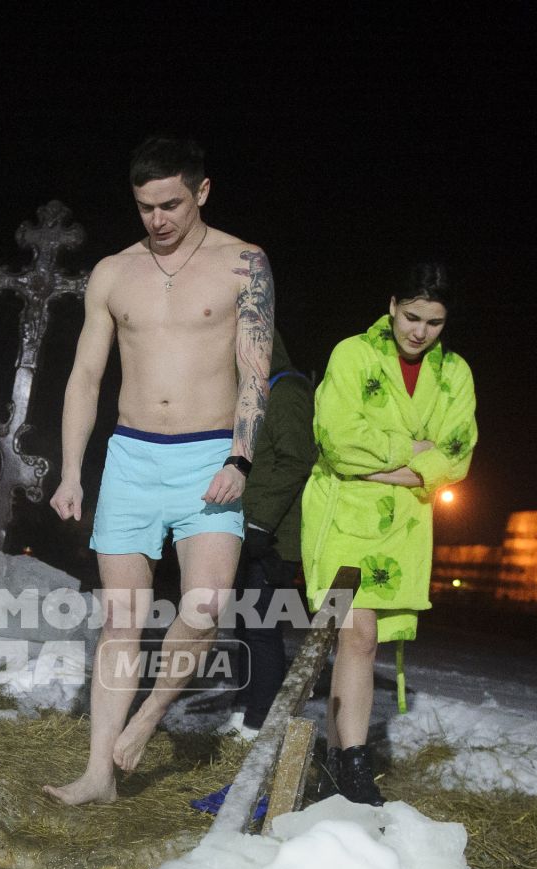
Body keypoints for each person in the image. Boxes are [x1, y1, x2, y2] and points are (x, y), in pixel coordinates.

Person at [44, 135, 274, 805]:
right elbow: (85, 376)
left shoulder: (245, 264)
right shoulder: (113, 273)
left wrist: (241, 455)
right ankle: (97, 775)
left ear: (202, 191)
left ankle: (147, 718)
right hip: (131, 455)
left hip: (209, 453)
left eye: (171, 204)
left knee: (204, 607)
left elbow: (256, 372)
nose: (158, 220)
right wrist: (70, 471)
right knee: (123, 621)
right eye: (145, 207)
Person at [300, 262, 477, 805]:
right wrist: (412, 452)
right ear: (393, 303)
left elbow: (458, 456)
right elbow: (337, 440)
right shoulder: (352, 354)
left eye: (435, 322)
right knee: (355, 635)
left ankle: (339, 761)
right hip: (341, 517)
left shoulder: (456, 375)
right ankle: (352, 765)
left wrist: (380, 464)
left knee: (364, 642)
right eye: (411, 316)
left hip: (400, 529)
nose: (419, 331)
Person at [227, 329, 316, 738]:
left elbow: (296, 461)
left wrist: (261, 523)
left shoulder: (289, 389)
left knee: (262, 627)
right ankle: (244, 709)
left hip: (276, 535)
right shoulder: (256, 393)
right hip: (251, 527)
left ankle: (261, 721)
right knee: (244, 624)